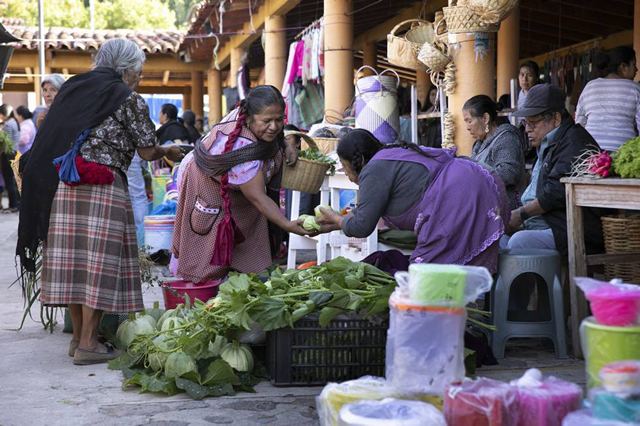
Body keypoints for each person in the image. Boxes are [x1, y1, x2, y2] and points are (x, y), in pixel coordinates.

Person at [17, 39, 184, 365]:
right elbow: (147, 152)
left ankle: (79, 339)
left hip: (67, 186)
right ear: (125, 70)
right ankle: (90, 344)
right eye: (139, 71)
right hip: (103, 186)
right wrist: (168, 151)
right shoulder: (128, 98)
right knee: (98, 264)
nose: (140, 77)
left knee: (77, 263)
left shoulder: (75, 89)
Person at [172, 85, 315, 283]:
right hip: (204, 186)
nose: (274, 127)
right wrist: (287, 224)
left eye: (279, 120)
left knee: (243, 240)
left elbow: (273, 130)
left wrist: (286, 143)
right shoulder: (243, 152)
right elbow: (258, 197)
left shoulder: (249, 114)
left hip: (232, 194)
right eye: (267, 121)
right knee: (208, 251)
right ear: (248, 118)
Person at [317, 129, 510, 274]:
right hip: (479, 185)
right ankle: (466, 320)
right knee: (463, 274)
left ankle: (456, 323)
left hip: (457, 199)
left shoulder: (373, 170)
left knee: (425, 278)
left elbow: (361, 227)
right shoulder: (387, 156)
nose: (345, 172)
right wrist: (334, 224)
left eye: (344, 165)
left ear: (359, 160)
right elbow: (365, 212)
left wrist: (337, 220)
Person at [508, 84, 603, 255]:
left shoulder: (574, 141)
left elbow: (555, 193)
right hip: (547, 222)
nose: (527, 129)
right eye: (525, 123)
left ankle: (544, 283)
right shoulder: (550, 139)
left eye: (533, 122)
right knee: (495, 240)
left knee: (518, 243)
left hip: (570, 228)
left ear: (556, 119)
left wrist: (520, 214)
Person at [464, 95, 525, 210]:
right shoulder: (479, 145)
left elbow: (508, 173)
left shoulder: (506, 138)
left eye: (469, 121)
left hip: (506, 211)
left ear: (485, 118)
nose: (467, 127)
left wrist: (473, 179)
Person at [575, 46, 640, 152]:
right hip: (623, 154)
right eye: (634, 64)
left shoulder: (590, 86)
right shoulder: (636, 89)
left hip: (592, 154)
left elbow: (579, 123)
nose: (637, 69)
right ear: (623, 66)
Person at [0, 104, 20, 212]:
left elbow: (4, 142)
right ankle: (15, 204)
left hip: (7, 154)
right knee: (13, 180)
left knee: (9, 181)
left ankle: (13, 205)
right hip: (15, 153)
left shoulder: (7, 125)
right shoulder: (15, 122)